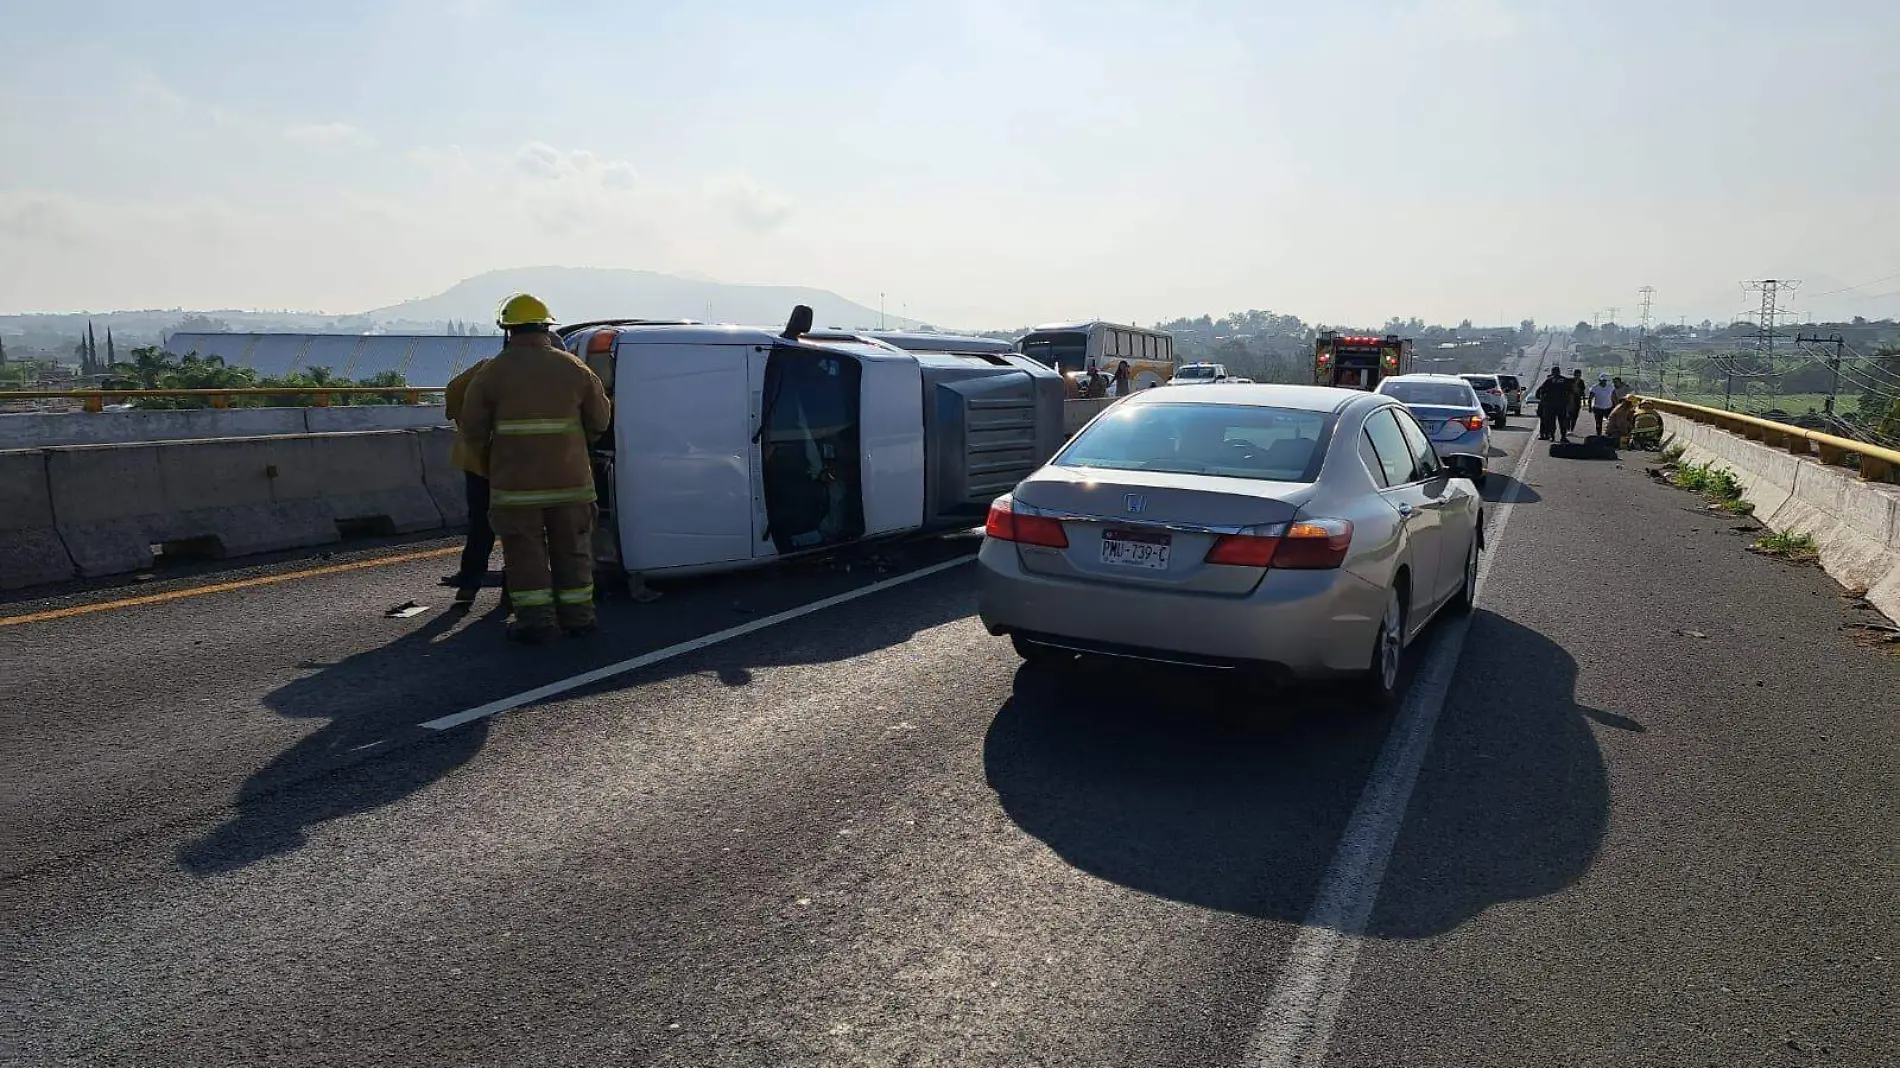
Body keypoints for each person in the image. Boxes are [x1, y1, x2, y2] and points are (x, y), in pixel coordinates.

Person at [458, 293, 612, 644]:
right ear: (546, 326)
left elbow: (472, 431)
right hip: (571, 483)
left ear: (507, 329)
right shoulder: (574, 368)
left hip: (516, 487)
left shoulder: (491, 373)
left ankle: (537, 624)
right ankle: (580, 619)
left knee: (524, 554)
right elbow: (600, 419)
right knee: (572, 550)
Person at [441, 351, 505, 608]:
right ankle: (514, 591)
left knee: (480, 523)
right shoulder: (540, 372)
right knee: (520, 526)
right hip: (513, 461)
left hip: (477, 460)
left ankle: (469, 582)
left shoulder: (486, 366)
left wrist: (464, 424)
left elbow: (453, 391)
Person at [1535, 367, 1570, 441]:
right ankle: (1563, 437)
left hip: (1550, 405)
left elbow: (1540, 391)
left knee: (1551, 422)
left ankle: (1552, 436)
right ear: (1559, 372)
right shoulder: (1565, 380)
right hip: (1562, 405)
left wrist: (1542, 400)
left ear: (1552, 372)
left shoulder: (1549, 380)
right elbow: (1570, 392)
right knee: (1562, 422)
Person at [1588, 372, 1617, 436]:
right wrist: (1590, 407)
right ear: (1599, 380)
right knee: (1598, 424)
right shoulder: (1595, 388)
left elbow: (1614, 397)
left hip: (1609, 408)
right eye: (1602, 380)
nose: (1603, 382)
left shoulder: (1610, 387)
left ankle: (1610, 435)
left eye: (1605, 380)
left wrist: (1615, 406)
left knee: (1611, 422)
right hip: (1598, 408)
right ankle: (1599, 435)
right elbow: (1590, 398)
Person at [1562, 368, 1586, 438]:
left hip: (1577, 401)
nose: (1578, 376)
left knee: (1575, 416)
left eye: (1579, 375)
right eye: (1576, 375)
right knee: (1568, 416)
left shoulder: (1581, 382)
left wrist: (1584, 401)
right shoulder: (1569, 381)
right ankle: (1567, 429)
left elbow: (1582, 392)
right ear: (1574, 375)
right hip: (1569, 401)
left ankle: (1572, 429)